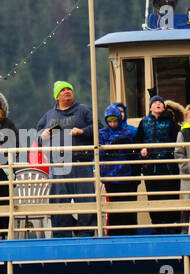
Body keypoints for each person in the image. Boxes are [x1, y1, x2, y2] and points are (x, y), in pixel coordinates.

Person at [35, 81, 96, 235]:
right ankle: (62, 236)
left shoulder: (84, 110)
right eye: (63, 90)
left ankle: (86, 237)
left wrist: (83, 132)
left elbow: (98, 128)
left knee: (86, 202)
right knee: (59, 203)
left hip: (80, 163)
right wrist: (42, 136)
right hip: (58, 165)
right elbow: (38, 136)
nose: (67, 91)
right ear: (57, 96)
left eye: (69, 89)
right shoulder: (49, 115)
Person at [137, 95, 184, 234]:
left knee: (171, 193)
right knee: (153, 194)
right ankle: (157, 225)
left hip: (168, 164)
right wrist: (142, 150)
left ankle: (172, 224)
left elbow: (178, 140)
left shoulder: (170, 121)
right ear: (150, 107)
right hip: (151, 166)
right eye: (155, 102)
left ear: (164, 107)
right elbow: (138, 140)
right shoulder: (143, 122)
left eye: (160, 102)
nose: (158, 104)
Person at [99, 102, 139, 234]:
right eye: (109, 120)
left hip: (128, 176)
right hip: (110, 178)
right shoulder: (102, 134)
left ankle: (132, 236)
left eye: (115, 119)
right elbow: (98, 151)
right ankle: (115, 237)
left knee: (129, 209)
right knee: (114, 210)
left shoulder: (131, 131)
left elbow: (137, 150)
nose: (112, 123)